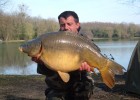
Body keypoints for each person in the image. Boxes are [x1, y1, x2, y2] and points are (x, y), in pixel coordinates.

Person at [32, 11, 94, 100]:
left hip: (80, 84)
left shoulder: (85, 42)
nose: (66, 28)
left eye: (69, 24)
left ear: (77, 24)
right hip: (58, 86)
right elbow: (44, 72)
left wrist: (87, 68)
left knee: (83, 90)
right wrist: (42, 63)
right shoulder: (52, 41)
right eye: (62, 25)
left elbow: (91, 68)